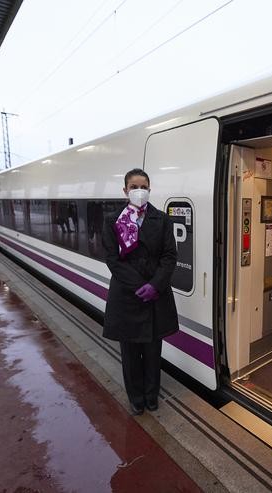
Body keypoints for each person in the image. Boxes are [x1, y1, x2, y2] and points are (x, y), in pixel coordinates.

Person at [101, 168, 179, 415]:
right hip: (127, 296)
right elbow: (113, 260)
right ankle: (136, 397)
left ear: (150, 188)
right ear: (125, 190)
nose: (139, 191)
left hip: (156, 295)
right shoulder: (114, 220)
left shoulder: (162, 219)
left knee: (154, 351)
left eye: (143, 186)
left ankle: (151, 394)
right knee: (131, 353)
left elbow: (170, 256)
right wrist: (139, 286)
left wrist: (155, 285)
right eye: (133, 187)